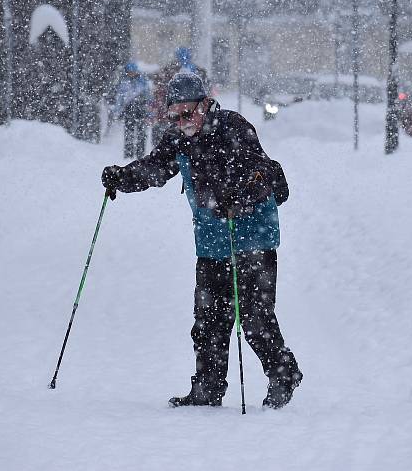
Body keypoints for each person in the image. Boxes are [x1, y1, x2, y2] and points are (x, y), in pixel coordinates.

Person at [101, 73, 302, 409]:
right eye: (174, 115)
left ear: (206, 104)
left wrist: (238, 199)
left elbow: (262, 174)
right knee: (208, 318)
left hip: (252, 236)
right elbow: (155, 169)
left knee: (253, 316)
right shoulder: (178, 138)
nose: (182, 121)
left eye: (188, 113)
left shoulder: (234, 128)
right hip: (211, 241)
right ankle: (207, 388)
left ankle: (283, 374)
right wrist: (122, 178)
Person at [149, 47, 209, 146]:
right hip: (180, 112)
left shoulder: (168, 70)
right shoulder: (197, 70)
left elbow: (159, 90)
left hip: (172, 111)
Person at [109, 62, 151, 159]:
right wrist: (117, 110)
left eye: (133, 71)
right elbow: (120, 97)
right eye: (129, 71)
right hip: (129, 110)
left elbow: (149, 97)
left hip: (141, 109)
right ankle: (128, 154)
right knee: (129, 133)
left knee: (141, 133)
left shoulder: (142, 81)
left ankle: (140, 155)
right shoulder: (124, 82)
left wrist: (149, 110)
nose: (131, 73)